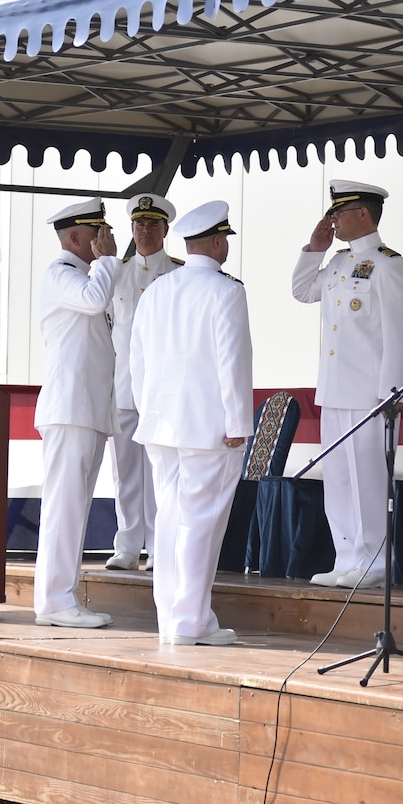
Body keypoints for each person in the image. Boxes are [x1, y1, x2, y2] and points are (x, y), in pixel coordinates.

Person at [130, 200, 253, 645]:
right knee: (201, 522)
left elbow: (137, 362)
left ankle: (173, 619)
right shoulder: (226, 291)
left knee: (170, 520)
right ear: (218, 242)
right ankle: (192, 621)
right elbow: (232, 362)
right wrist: (240, 420)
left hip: (161, 426)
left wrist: (150, 413)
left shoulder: (158, 289)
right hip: (209, 428)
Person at [291, 179, 403, 591]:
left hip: (369, 395)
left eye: (338, 213)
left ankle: (374, 561)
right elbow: (302, 291)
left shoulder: (388, 264)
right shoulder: (339, 263)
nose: (332, 220)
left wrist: (392, 390)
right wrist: (315, 248)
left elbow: (400, 331)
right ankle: (347, 557)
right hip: (334, 390)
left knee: (367, 480)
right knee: (340, 479)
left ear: (363, 214)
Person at [33, 195, 121, 629]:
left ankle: (61, 596)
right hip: (69, 410)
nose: (105, 239)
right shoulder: (62, 275)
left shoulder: (86, 276)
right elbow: (93, 300)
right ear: (75, 237)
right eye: (97, 232)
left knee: (75, 507)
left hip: (86, 411)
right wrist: (107, 261)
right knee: (63, 506)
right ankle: (53, 600)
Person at [106, 194, 182, 572]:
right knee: (124, 471)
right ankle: (127, 544)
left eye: (153, 224)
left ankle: (157, 544)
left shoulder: (179, 273)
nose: (145, 231)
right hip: (123, 387)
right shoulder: (116, 273)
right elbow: (105, 331)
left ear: (166, 229)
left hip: (161, 391)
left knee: (159, 473)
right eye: (139, 224)